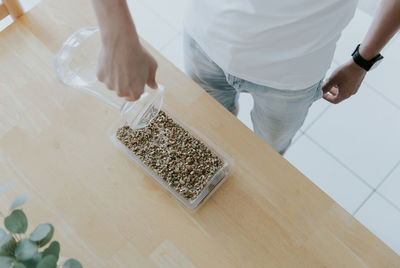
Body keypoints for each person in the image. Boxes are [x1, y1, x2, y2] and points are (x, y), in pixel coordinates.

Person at [91, 0, 400, 154]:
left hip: (292, 77)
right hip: (204, 40)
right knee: (214, 126)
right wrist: (115, 33)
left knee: (267, 151)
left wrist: (362, 61)